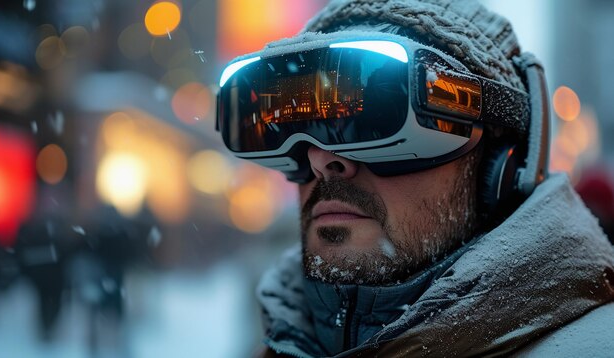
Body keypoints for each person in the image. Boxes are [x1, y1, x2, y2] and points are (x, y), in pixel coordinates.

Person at [216, 0, 614, 356]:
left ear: (499, 170)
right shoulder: (274, 343)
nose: (322, 160)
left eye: (374, 122)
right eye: (296, 127)